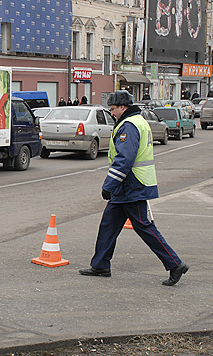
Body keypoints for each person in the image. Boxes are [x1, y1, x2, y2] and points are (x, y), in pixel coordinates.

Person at [79, 90, 189, 286]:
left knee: (144, 227)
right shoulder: (135, 121)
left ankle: (175, 264)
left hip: (132, 185)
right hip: (127, 186)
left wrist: (108, 185)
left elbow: (124, 160)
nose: (111, 113)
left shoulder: (129, 126)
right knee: (108, 225)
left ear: (123, 107)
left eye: (113, 109)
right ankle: (100, 265)